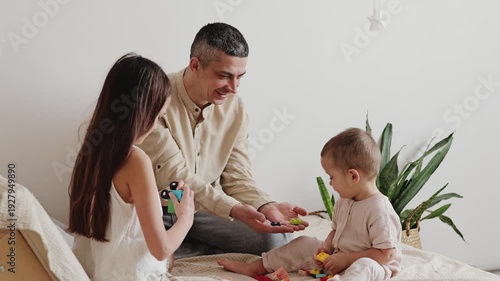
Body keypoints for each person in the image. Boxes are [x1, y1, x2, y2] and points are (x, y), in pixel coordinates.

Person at [138, 22, 309, 259]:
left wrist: (265, 206)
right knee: (135, 244)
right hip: (161, 209)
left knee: (276, 237)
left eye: (240, 77)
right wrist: (234, 209)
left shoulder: (235, 109)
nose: (234, 88)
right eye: (224, 76)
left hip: (206, 211)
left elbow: (237, 176)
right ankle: (180, 247)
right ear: (195, 65)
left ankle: (185, 249)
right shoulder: (157, 97)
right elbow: (176, 176)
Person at [68, 53, 206, 281]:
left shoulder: (92, 149)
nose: (153, 127)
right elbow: (160, 249)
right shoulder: (136, 160)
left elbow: (118, 207)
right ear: (141, 112)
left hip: (96, 271)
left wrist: (163, 201)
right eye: (157, 116)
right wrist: (186, 217)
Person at [218, 127, 402, 281]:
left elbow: (385, 255)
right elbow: (336, 232)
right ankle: (255, 268)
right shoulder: (344, 201)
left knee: (365, 266)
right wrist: (326, 248)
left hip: (375, 265)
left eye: (332, 177)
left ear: (353, 176)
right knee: (305, 242)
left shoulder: (379, 210)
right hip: (339, 258)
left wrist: (347, 259)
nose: (330, 183)